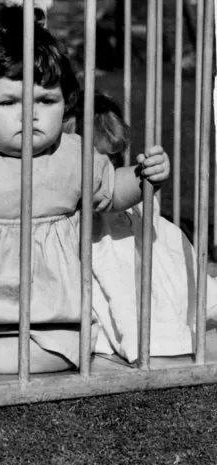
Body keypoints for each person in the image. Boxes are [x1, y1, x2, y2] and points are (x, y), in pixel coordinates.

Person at [0, 4, 170, 380]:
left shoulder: (74, 153)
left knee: (71, 347)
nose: (30, 114)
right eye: (8, 102)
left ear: (66, 102)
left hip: (39, 300)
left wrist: (142, 178)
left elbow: (109, 192)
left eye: (46, 100)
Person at [64, 91, 217, 363]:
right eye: (97, 160)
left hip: (137, 240)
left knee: (165, 241)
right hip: (98, 247)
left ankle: (188, 306)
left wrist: (151, 175)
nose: (106, 171)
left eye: (112, 161)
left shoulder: (126, 197)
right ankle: (156, 332)